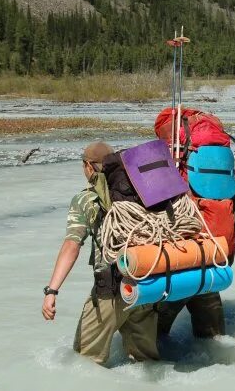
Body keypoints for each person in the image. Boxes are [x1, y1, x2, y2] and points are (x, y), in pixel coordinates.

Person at [41, 141, 159, 365]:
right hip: (146, 284)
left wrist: (52, 291)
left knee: (84, 362)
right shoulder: (141, 190)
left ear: (88, 166)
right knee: (146, 363)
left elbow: (71, 245)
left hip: (112, 289)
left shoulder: (85, 199)